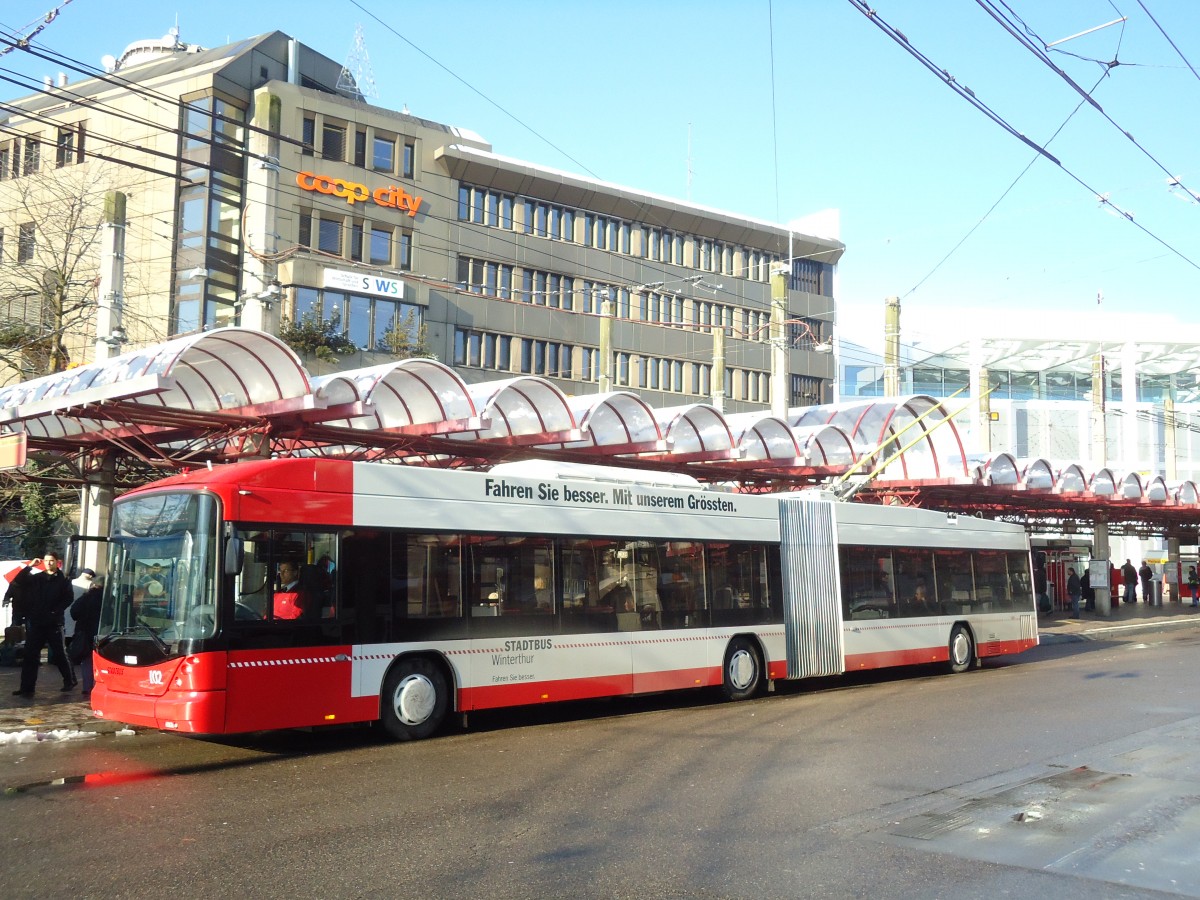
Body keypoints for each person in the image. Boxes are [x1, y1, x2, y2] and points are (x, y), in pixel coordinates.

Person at [10, 550, 76, 697]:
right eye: (46, 560)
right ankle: (26, 687)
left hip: (54, 622)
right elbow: (17, 582)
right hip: (36, 621)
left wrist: (55, 611)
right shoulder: (37, 578)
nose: (48, 563)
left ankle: (69, 680)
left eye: (51, 560)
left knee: (59, 653)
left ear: (57, 562)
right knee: (30, 655)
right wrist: (29, 566)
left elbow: (68, 598)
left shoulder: (63, 579)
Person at [69, 575, 103, 696]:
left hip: (84, 633)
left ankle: (87, 686)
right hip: (103, 634)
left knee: (86, 660)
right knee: (102, 661)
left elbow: (74, 613)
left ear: (93, 584)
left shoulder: (85, 597)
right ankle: (100, 685)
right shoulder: (109, 598)